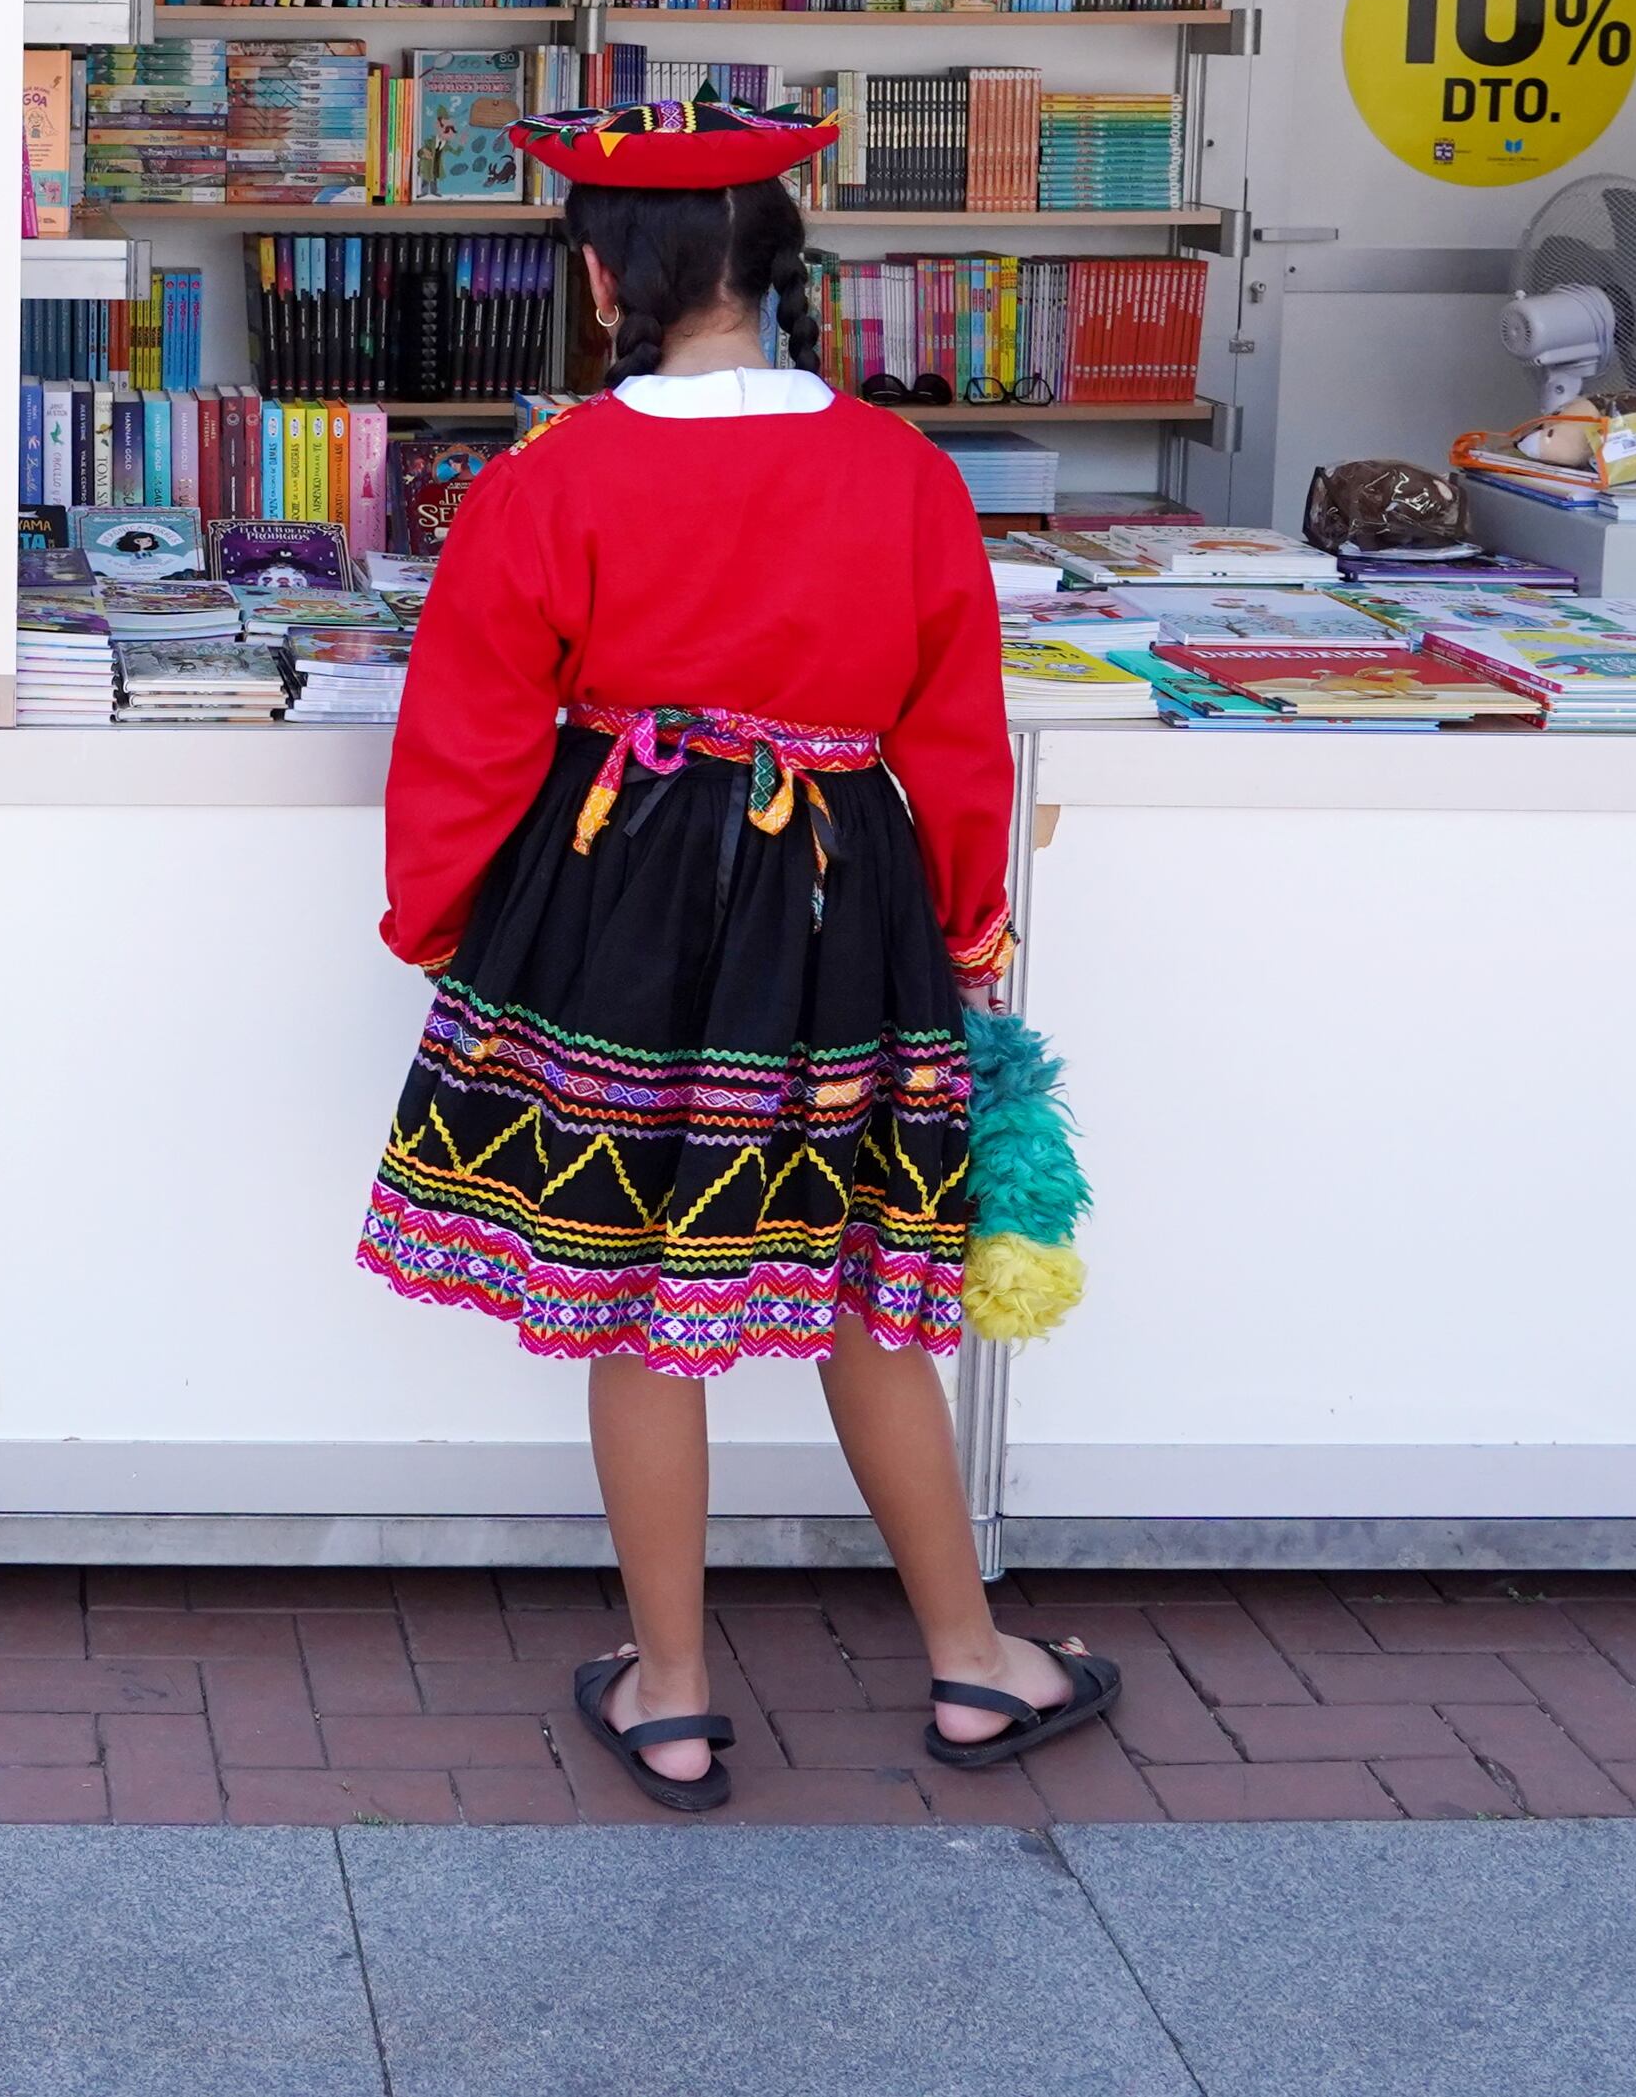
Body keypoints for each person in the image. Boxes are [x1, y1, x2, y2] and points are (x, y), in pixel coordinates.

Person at [356, 97, 1113, 1813]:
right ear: (777, 266)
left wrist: (445, 922)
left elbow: (470, 728)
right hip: (848, 896)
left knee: (642, 1291)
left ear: (599, 270)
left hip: (620, 893)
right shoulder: (902, 474)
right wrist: (972, 917)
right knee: (865, 1282)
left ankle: (678, 1690)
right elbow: (959, 737)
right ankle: (972, 1656)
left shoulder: (546, 481)